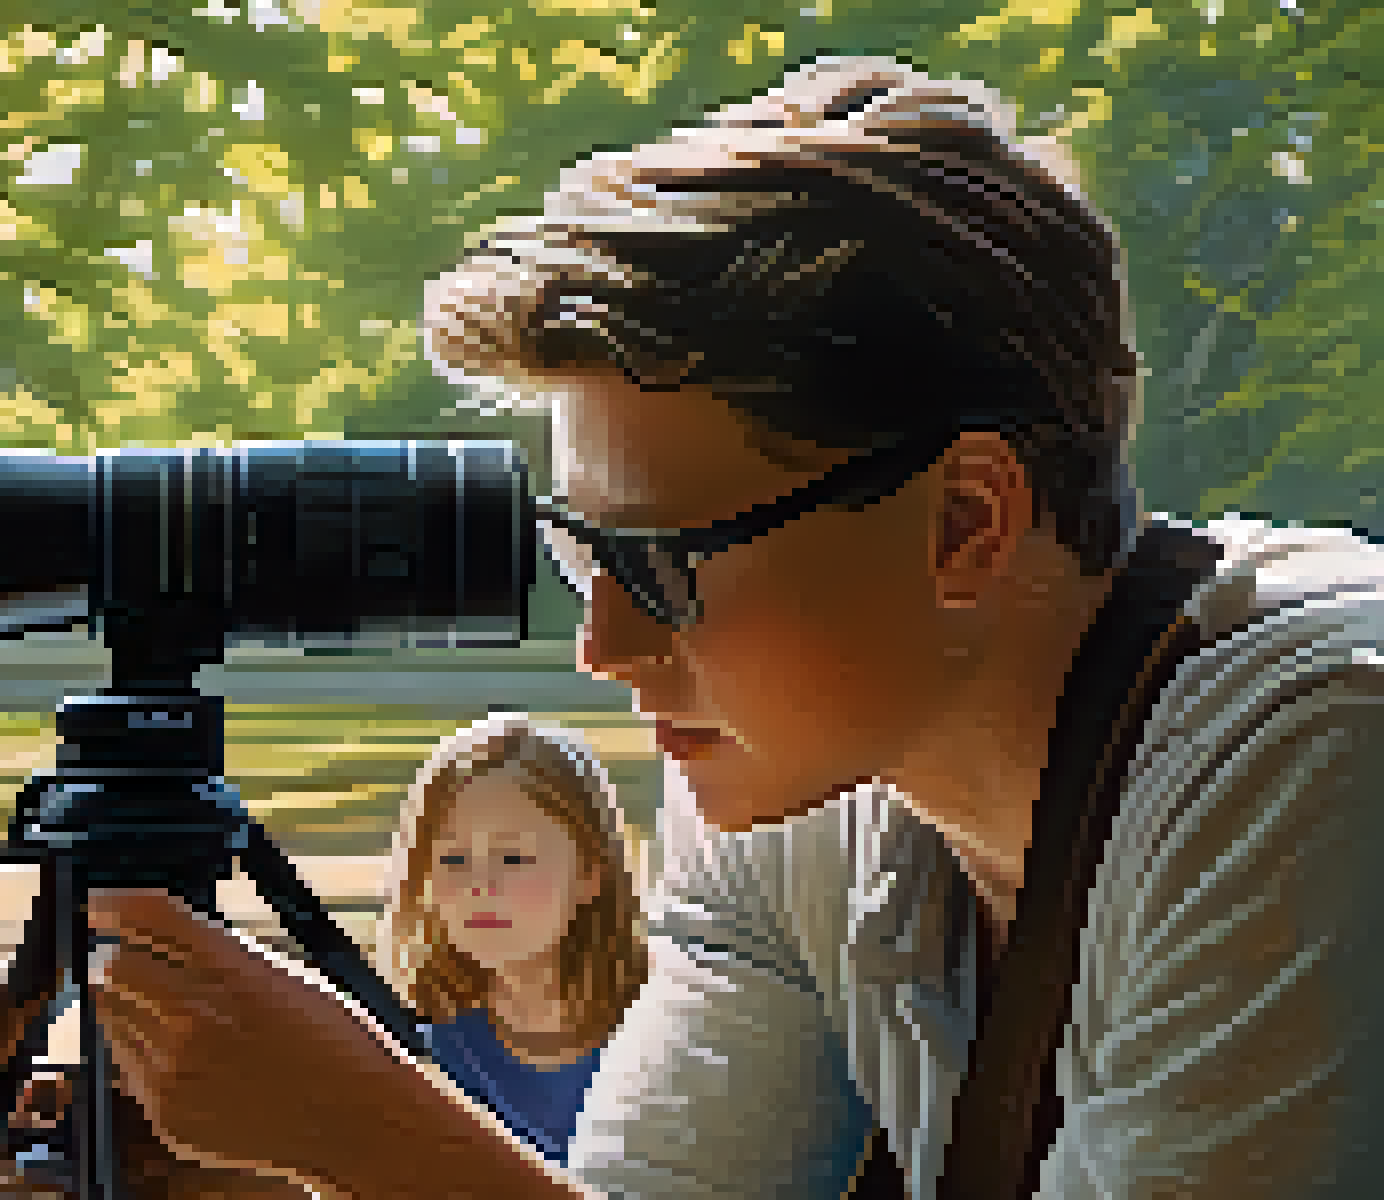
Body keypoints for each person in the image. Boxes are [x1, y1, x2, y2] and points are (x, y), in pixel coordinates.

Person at [68, 55, 1384, 1200]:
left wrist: (362, 1130)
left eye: (666, 562)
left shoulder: (1314, 761)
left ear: (966, 521)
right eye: (583, 552)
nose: (608, 650)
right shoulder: (799, 790)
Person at [383, 714, 646, 1169]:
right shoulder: (416, 1044)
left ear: (590, 873)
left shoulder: (663, 1024)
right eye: (453, 858)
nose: (479, 885)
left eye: (514, 857)